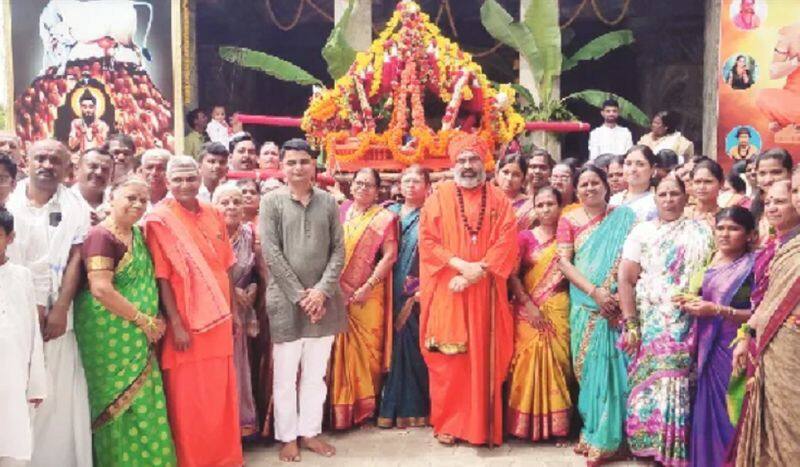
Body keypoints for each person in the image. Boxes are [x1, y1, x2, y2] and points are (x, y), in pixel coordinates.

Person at [419, 132, 519, 446]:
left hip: (486, 293)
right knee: (449, 360)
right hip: (450, 289)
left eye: (473, 158)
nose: (467, 165)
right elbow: (428, 241)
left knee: (486, 358)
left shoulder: (500, 199)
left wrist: (479, 271)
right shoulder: (438, 198)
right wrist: (462, 266)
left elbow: (507, 241)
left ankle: (481, 425)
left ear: (484, 162)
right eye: (461, 160)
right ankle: (448, 423)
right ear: (453, 163)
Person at [142, 156, 243, 467]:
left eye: (190, 178)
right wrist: (177, 324)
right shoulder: (159, 220)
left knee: (220, 395)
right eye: (178, 180)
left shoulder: (214, 213)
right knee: (188, 400)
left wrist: (234, 313)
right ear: (167, 182)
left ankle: (225, 458)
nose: (185, 185)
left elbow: (226, 269)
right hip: (185, 322)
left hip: (219, 319)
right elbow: (162, 276)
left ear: (199, 177)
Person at [73, 176, 176, 466]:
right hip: (110, 333)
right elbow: (101, 288)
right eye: (130, 197)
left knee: (145, 401)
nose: (137, 204)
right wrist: (144, 320)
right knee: (118, 404)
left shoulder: (138, 235)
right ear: (111, 198)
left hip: (140, 333)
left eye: (143, 200)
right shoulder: (100, 236)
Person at [5, 140, 92, 467]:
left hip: (56, 319)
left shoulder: (75, 206)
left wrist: (59, 308)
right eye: (40, 158)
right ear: (26, 161)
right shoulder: (8, 201)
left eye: (55, 160)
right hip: (10, 314)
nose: (47, 164)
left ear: (67, 168)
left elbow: (76, 258)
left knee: (54, 399)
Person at [259, 138, 345, 462]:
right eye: (291, 162)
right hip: (286, 301)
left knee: (315, 374)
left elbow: (338, 250)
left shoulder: (328, 202)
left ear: (314, 165)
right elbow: (271, 253)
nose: (298, 168)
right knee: (285, 375)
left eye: (304, 162)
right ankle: (287, 436)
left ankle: (310, 432)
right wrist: (300, 295)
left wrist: (321, 291)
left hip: (325, 301)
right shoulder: (272, 203)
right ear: (282, 167)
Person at [618, 176, 714, 467]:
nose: (669, 199)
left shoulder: (702, 231)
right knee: (648, 384)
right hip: (651, 322)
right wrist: (631, 323)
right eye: (663, 194)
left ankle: (677, 450)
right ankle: (648, 448)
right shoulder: (642, 232)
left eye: (675, 194)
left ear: (686, 198)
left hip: (688, 319)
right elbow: (626, 277)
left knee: (680, 383)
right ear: (655, 198)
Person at [556, 166, 636, 463]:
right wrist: (596, 293)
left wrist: (616, 296)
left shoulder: (624, 217)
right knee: (589, 373)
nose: (589, 188)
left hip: (617, 304)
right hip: (585, 304)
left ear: (607, 186)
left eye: (595, 183)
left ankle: (617, 438)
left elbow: (632, 258)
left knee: (617, 370)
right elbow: (564, 264)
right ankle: (593, 432)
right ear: (576, 190)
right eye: (584, 184)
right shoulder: (568, 220)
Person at [676, 207, 755, 467]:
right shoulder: (710, 261)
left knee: (733, 412)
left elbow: (760, 313)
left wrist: (719, 310)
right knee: (707, 413)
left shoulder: (753, 266)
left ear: (749, 235)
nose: (725, 233)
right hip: (706, 347)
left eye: (733, 228)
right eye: (720, 228)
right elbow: (704, 296)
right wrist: (689, 301)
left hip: (735, 349)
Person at [729, 176, 800, 466]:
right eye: (796, 190)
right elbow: (769, 300)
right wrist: (746, 334)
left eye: (784, 198)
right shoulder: (784, 248)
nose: (798, 197)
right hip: (779, 348)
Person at [330, 168, 398, 430]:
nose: (362, 188)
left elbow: (389, 256)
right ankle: (341, 408)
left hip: (369, 293)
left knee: (368, 349)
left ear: (377, 189)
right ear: (351, 186)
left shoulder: (385, 217)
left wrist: (369, 285)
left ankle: (365, 408)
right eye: (359, 183)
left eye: (369, 185)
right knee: (339, 348)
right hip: (339, 291)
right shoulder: (341, 211)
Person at [506, 186, 572, 442]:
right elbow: (512, 275)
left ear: (560, 206)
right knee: (526, 363)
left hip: (559, 308)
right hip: (527, 308)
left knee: (558, 363)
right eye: (540, 204)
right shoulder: (524, 237)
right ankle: (523, 427)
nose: (545, 209)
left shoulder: (568, 237)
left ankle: (559, 428)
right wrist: (528, 304)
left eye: (550, 204)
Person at [378, 165, 431, 429]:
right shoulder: (390, 213)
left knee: (413, 349)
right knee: (390, 348)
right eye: (406, 180)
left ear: (427, 186)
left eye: (417, 181)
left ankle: (417, 408)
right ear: (398, 185)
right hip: (388, 287)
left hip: (417, 291)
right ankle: (389, 407)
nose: (410, 185)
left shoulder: (433, 215)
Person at [213, 183, 262, 438]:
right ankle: (220, 432)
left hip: (244, 313)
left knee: (242, 369)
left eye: (236, 201)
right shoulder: (209, 235)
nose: (231, 207)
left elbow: (256, 269)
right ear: (214, 207)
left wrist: (253, 286)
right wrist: (232, 293)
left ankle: (240, 428)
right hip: (218, 312)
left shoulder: (250, 234)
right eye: (225, 202)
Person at [0, 208, 46, 466]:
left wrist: (37, 382)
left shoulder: (22, 276)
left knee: (13, 448)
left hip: (14, 380)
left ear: (10, 237)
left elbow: (32, 333)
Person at [756, 22, 800, 132]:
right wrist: (796, 61)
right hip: (794, 100)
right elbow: (773, 72)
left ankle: (788, 121)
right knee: (763, 96)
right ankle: (790, 120)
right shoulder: (790, 33)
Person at [752, 148, 793, 241]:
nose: (768, 179)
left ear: (790, 173)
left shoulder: (796, 204)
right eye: (762, 173)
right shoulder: (755, 206)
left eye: (776, 172)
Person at [609, 145, 658, 222]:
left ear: (653, 169)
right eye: (628, 164)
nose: (633, 169)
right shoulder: (614, 200)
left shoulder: (656, 202)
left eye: (640, 164)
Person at [71, 147, 114, 225]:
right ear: (76, 169)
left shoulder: (117, 203)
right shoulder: (60, 203)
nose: (99, 172)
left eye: (105, 169)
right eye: (93, 166)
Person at [496, 153, 535, 230]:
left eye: (516, 175)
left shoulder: (529, 206)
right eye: (505, 172)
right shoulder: (486, 198)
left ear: (523, 179)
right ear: (497, 174)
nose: (509, 178)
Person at [685, 159, 723, 227]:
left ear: (721, 183)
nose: (702, 187)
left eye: (708, 181)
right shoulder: (682, 215)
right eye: (697, 182)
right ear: (691, 183)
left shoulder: (726, 217)